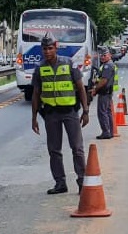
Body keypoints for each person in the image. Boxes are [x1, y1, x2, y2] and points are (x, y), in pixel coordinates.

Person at [31, 34, 89, 195]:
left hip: (70, 112)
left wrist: (85, 111)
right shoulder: (40, 68)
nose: (47, 51)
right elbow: (36, 94)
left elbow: (81, 88)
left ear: (56, 47)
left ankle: (82, 181)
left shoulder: (68, 63)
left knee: (77, 148)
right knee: (54, 150)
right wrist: (34, 118)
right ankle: (60, 183)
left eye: (50, 48)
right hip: (51, 114)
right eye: (44, 49)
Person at [90, 47, 115, 139]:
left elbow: (104, 80)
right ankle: (110, 131)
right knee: (107, 112)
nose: (102, 57)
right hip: (107, 92)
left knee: (102, 112)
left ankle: (106, 132)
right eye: (101, 56)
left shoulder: (107, 66)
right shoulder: (107, 65)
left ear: (109, 55)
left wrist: (95, 89)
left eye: (105, 55)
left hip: (105, 93)